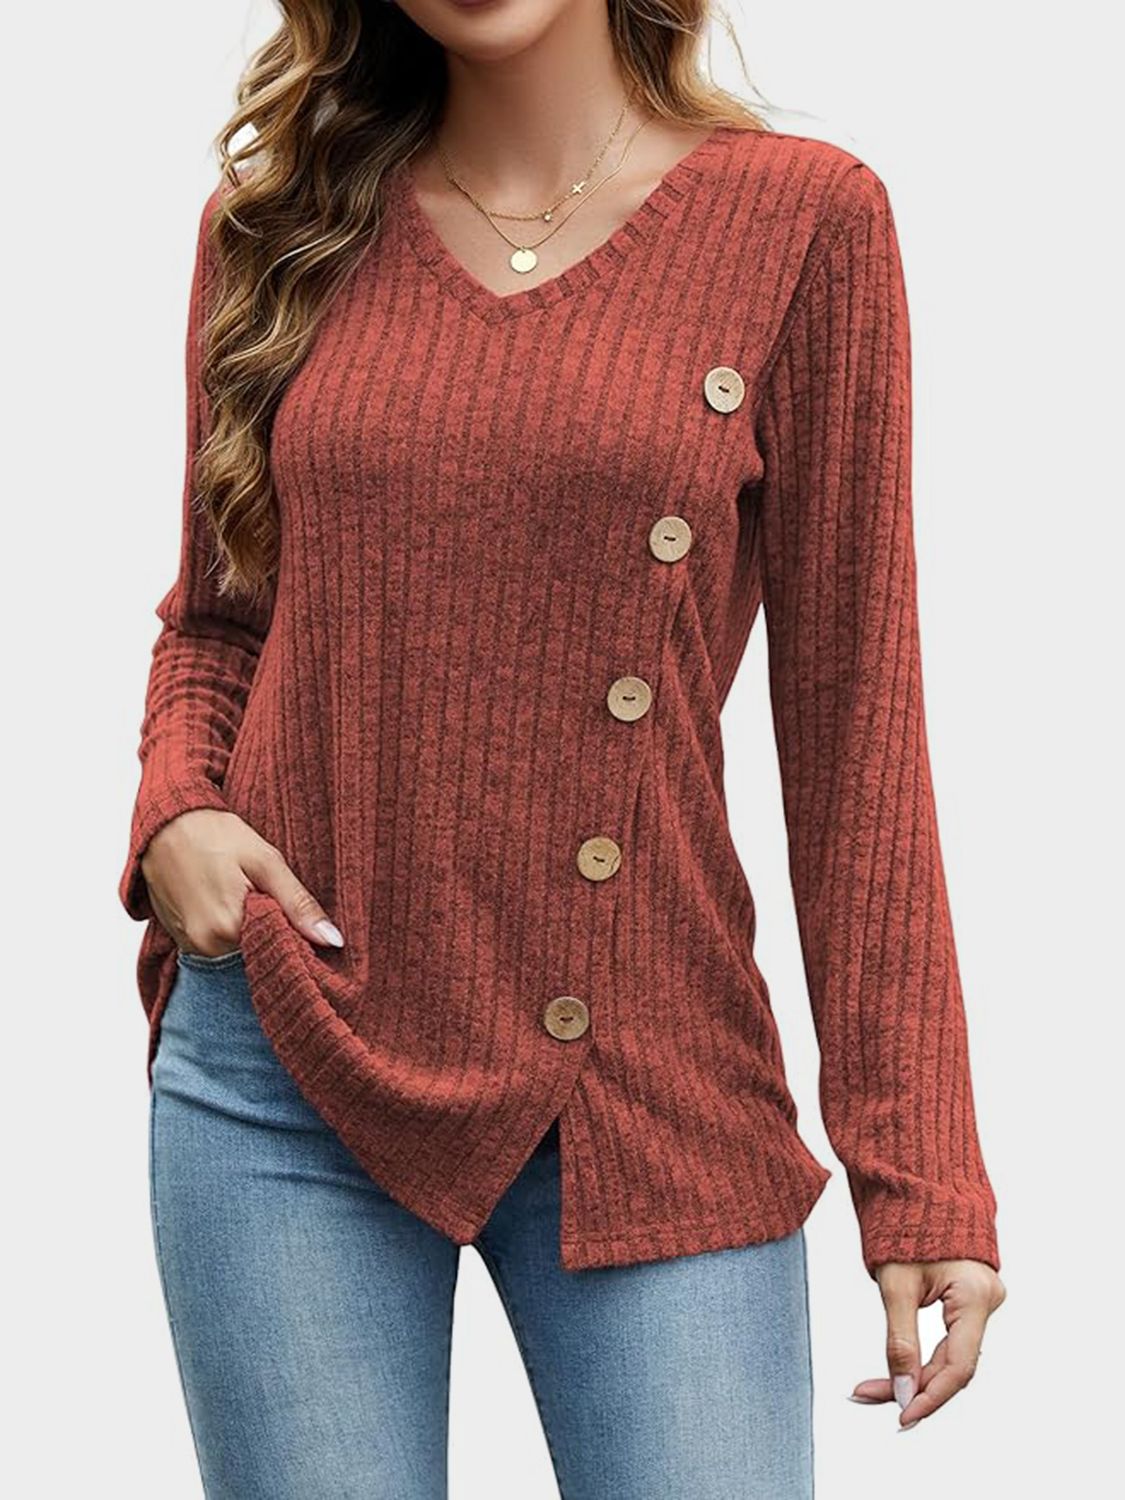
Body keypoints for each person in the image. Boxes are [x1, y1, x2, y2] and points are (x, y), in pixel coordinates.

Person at [119, 2, 1005, 1496]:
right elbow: (217, 624)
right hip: (284, 1060)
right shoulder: (277, 231)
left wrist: (918, 1165)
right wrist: (175, 811)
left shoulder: (803, 223)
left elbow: (856, 720)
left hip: (648, 1076)